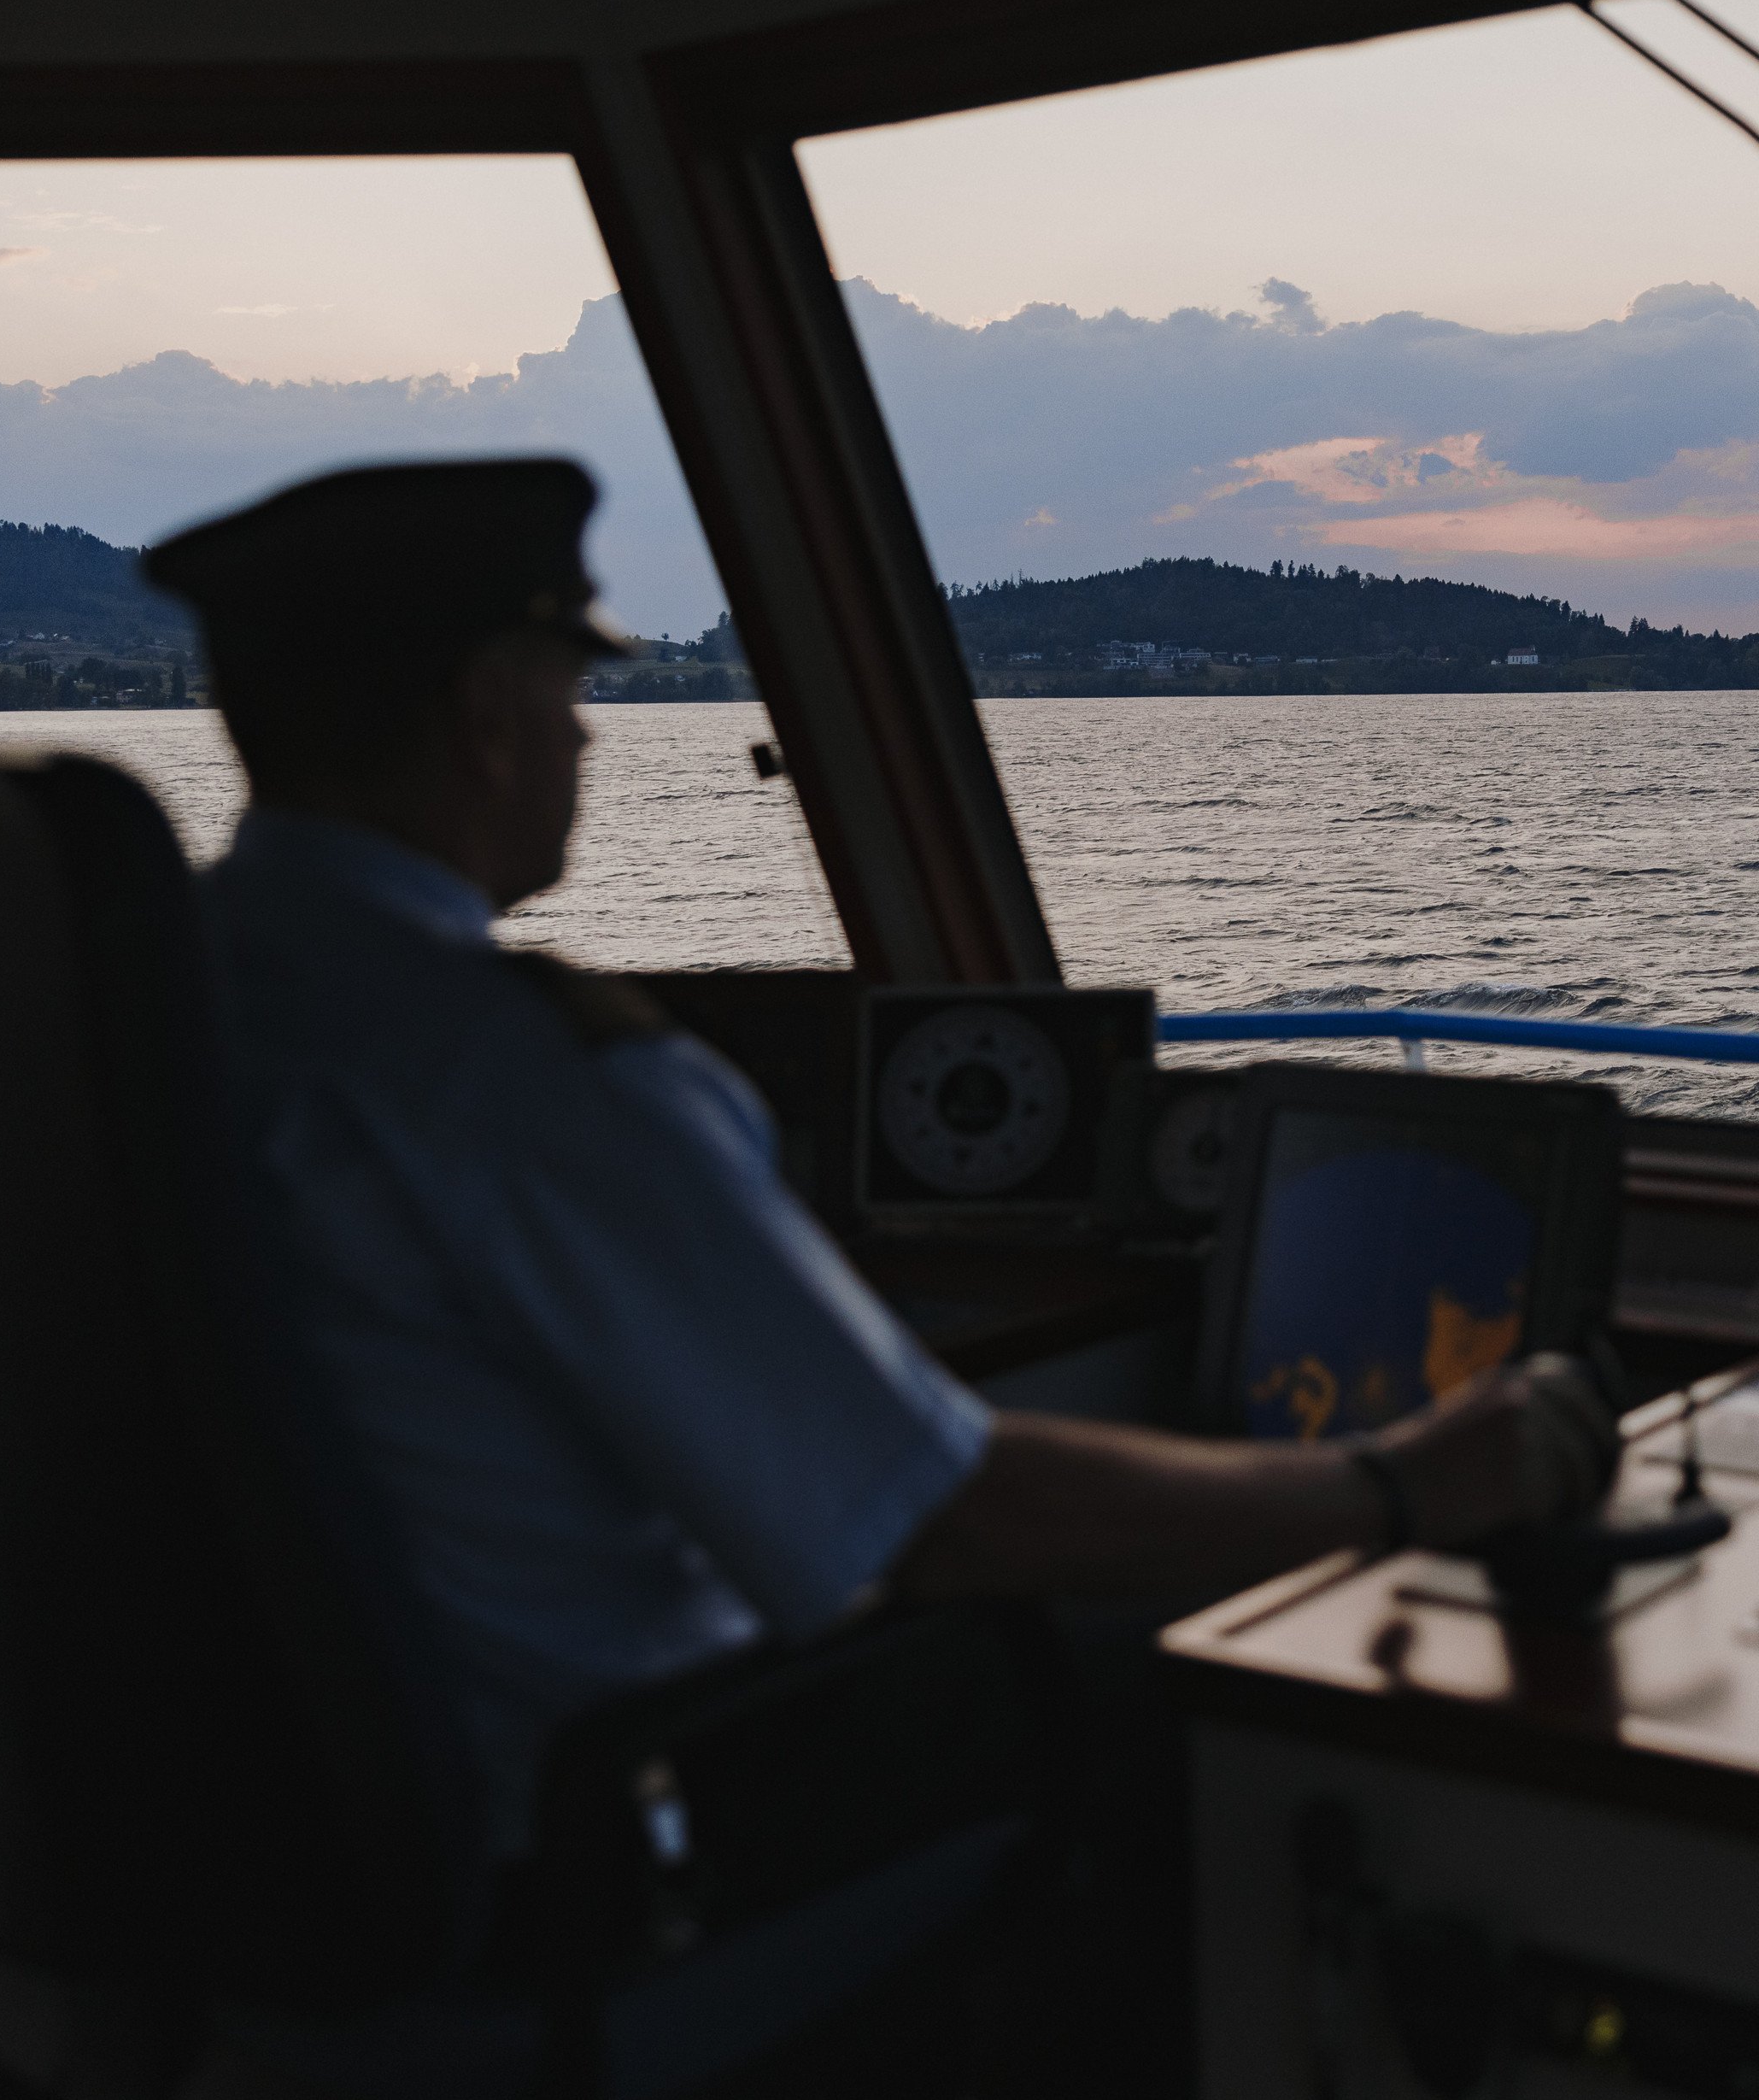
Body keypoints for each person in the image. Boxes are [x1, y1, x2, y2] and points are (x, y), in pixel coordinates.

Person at [144, 457, 1617, 2095]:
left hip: (248, 1879)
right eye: (571, 689)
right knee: (1148, 1740)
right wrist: (1402, 1483)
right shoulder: (518, 1084)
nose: (585, 737)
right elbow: (948, 1520)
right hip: (600, 1867)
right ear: (487, 708)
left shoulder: (145, 1010)